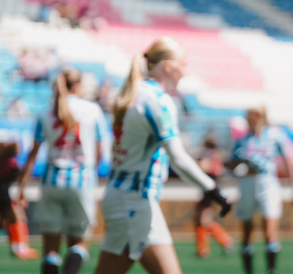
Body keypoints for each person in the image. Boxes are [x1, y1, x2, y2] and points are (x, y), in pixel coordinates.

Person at [93, 37, 231, 274]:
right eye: (183, 64)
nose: (186, 71)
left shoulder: (132, 94)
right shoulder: (158, 99)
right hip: (136, 201)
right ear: (168, 66)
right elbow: (178, 157)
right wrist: (213, 189)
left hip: (123, 198)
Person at [17, 68, 110, 274]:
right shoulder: (92, 110)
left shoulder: (45, 112)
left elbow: (33, 154)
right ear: (77, 86)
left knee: (50, 246)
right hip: (82, 180)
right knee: (79, 243)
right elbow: (100, 147)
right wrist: (93, 173)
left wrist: (21, 186)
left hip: (51, 180)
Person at [229, 105, 293, 274]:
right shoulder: (242, 138)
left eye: (250, 115)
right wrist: (240, 162)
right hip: (247, 182)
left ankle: (271, 270)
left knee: (270, 232)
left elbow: (289, 159)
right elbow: (231, 162)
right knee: (247, 233)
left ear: (258, 116)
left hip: (267, 183)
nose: (247, 119)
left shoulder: (276, 134)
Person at [195, 136, 233, 258]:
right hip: (211, 190)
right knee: (201, 219)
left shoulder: (209, 155)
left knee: (204, 220)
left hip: (209, 190)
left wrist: (193, 164)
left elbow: (204, 167)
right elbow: (220, 170)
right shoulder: (216, 155)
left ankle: (225, 240)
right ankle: (203, 249)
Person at [0, 141, 39, 260]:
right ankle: (20, 248)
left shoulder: (10, 162)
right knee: (16, 216)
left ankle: (17, 247)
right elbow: (18, 174)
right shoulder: (9, 163)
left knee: (12, 218)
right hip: (2, 190)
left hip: (4, 190)